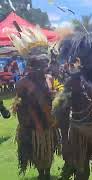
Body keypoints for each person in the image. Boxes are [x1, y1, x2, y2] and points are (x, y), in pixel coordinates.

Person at [53, 33, 92, 180]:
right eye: (87, 57)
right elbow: (60, 111)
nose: (90, 60)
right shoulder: (73, 81)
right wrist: (65, 142)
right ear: (80, 58)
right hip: (79, 133)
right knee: (82, 172)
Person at [10, 27, 60, 179]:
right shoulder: (22, 84)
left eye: (44, 64)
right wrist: (34, 121)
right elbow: (18, 105)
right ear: (29, 65)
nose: (41, 69)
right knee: (36, 151)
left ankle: (47, 171)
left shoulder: (49, 79)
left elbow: (55, 98)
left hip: (49, 123)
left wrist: (54, 96)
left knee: (49, 148)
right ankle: (41, 173)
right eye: (37, 65)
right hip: (32, 126)